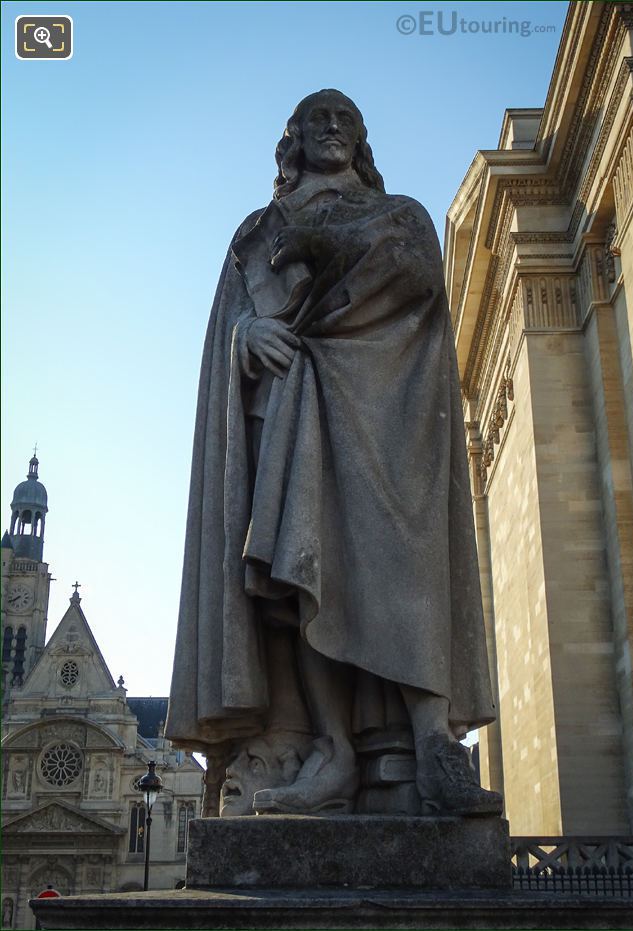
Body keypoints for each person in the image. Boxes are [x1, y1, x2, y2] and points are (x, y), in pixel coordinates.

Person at [165, 89, 501, 816]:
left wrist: (332, 247)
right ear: (292, 139)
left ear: (362, 139)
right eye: (316, 118)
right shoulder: (257, 229)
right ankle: (332, 750)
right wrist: (244, 337)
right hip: (291, 404)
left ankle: (426, 741)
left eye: (344, 119)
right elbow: (235, 321)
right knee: (301, 566)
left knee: (403, 559)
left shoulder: (396, 212)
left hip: (388, 409)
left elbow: (417, 277)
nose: (331, 128)